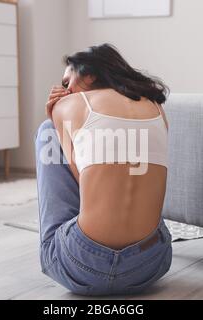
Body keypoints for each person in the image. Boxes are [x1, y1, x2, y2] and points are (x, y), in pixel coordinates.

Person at [35, 44, 172, 296]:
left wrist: (53, 116)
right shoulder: (156, 107)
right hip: (150, 264)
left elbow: (81, 182)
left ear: (89, 75)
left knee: (47, 132)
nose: (65, 91)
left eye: (68, 82)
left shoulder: (70, 104)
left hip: (83, 264)